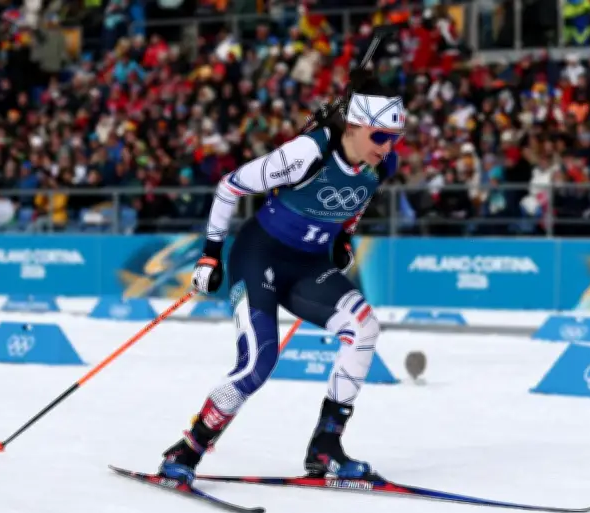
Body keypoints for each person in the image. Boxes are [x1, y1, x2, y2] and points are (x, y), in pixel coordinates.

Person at [157, 69, 405, 485]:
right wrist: (210, 256)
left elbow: (357, 200)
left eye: (395, 138)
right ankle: (189, 449)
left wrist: (344, 235)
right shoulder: (306, 153)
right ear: (356, 125)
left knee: (364, 327)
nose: (388, 147)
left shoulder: (383, 164)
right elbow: (229, 187)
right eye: (380, 136)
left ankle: (326, 447)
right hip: (260, 256)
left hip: (307, 263)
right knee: (258, 362)